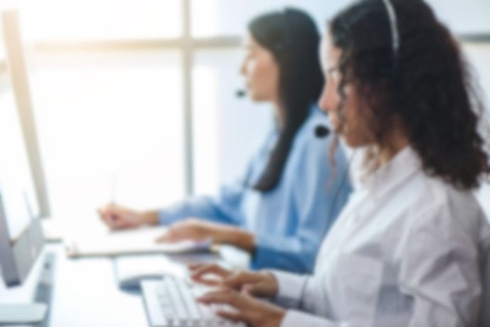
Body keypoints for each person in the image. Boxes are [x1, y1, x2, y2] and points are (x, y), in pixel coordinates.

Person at [189, 0, 490, 326]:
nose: (325, 101)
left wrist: (279, 321)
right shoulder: (380, 185)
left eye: (338, 79)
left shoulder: (436, 210)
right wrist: (271, 284)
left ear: (385, 82)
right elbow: (346, 299)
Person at [98, 8, 352, 273]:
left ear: (285, 60)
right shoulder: (280, 137)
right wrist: (145, 217)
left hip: (287, 307)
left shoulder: (317, 141)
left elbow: (315, 256)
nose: (242, 69)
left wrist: (231, 236)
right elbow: (227, 204)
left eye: (251, 54)